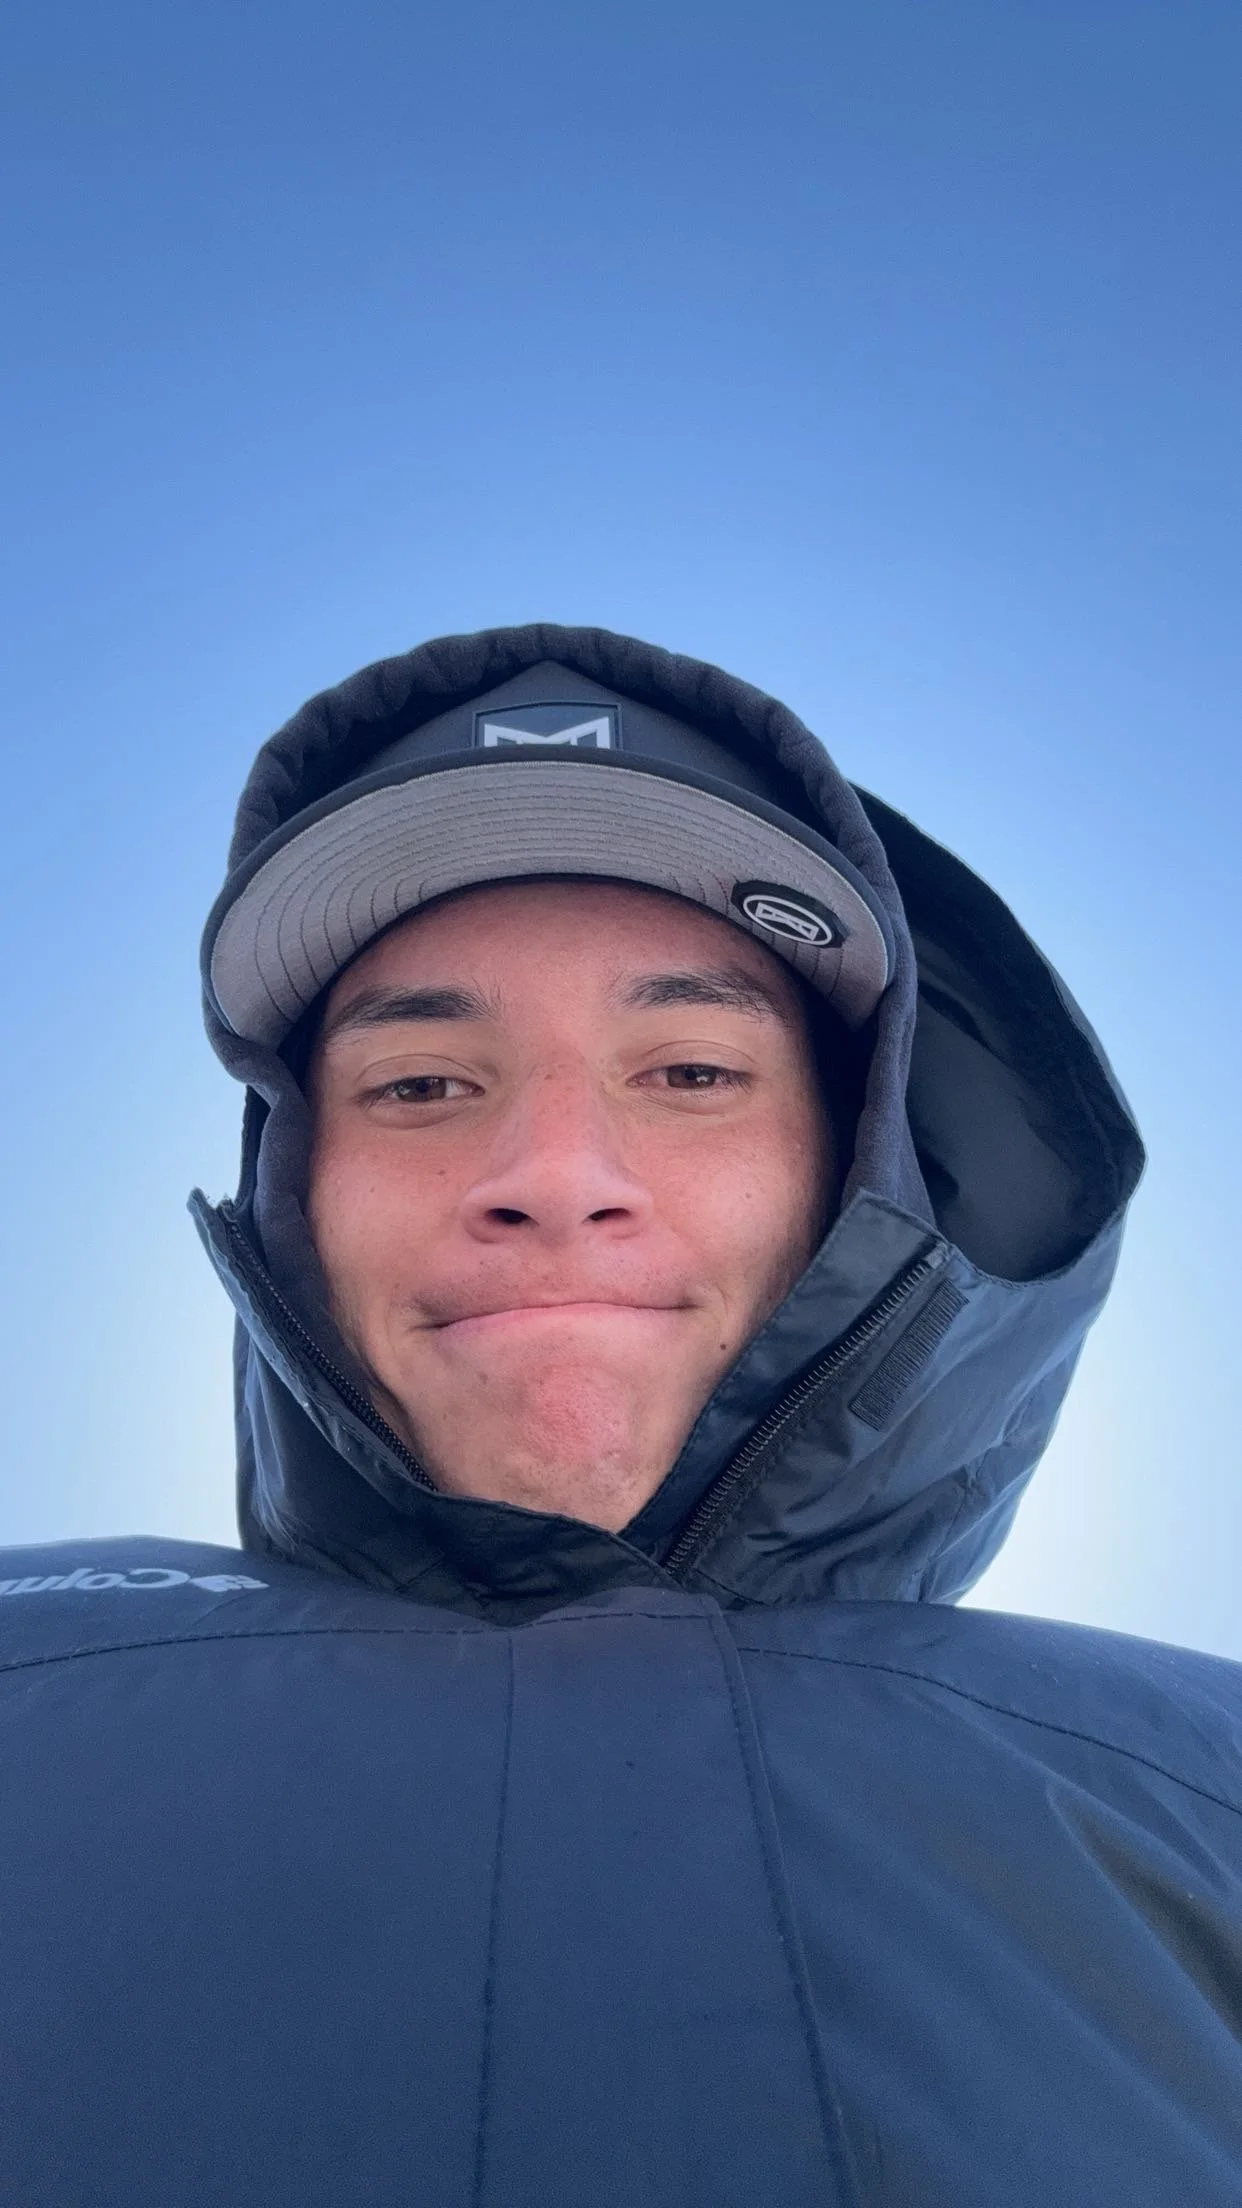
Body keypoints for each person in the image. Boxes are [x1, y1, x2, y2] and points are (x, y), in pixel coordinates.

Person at [1, 623, 1238, 2207]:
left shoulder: (1202, 1785)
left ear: (865, 1168)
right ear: (295, 1183)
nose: (554, 1178)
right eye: (423, 1087)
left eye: (691, 1073)